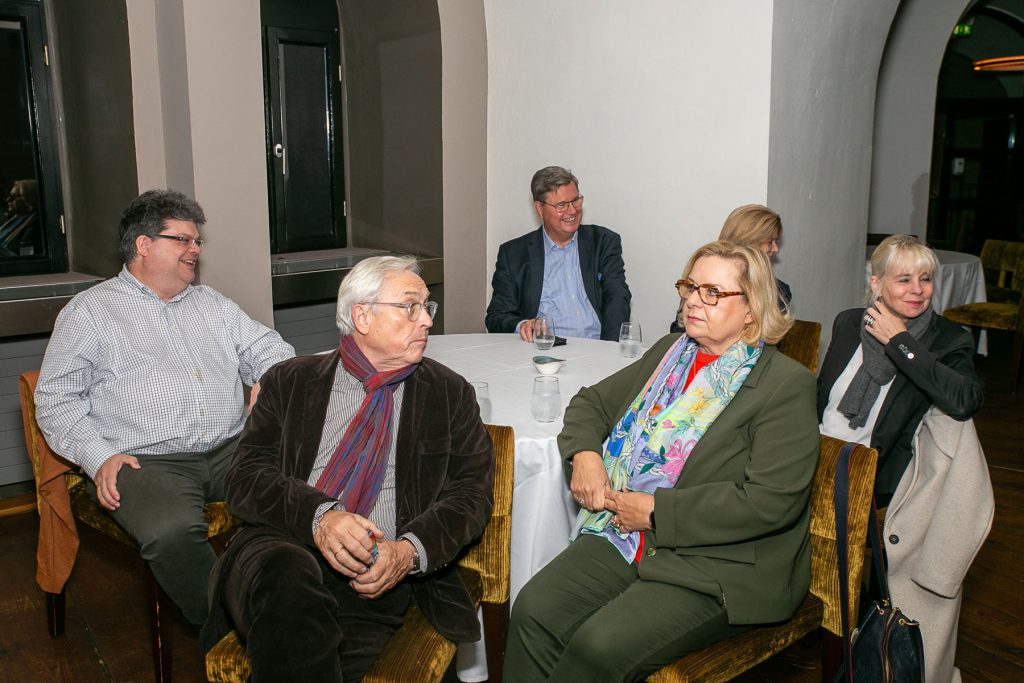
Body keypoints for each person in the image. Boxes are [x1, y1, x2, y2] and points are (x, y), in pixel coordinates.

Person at [504, 241, 820, 682]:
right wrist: (587, 455)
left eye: (712, 292)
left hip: (719, 563)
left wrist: (655, 511)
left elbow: (770, 501)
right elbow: (591, 403)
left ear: (752, 309)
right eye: (690, 286)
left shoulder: (786, 385)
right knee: (534, 611)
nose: (692, 299)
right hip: (629, 534)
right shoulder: (672, 352)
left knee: (599, 646)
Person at [201, 255, 494, 682]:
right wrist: (321, 518)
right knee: (288, 578)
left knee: (327, 660)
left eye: (427, 307)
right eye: (410, 306)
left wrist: (406, 553)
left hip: (376, 575)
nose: (427, 320)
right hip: (279, 548)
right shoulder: (291, 382)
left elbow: (471, 495)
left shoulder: (448, 394)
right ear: (362, 316)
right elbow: (245, 477)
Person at [34, 189, 295, 628]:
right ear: (143, 244)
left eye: (197, 241)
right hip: (145, 460)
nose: (195, 249)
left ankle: (298, 601)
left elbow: (271, 348)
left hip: (233, 447)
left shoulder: (213, 305)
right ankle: (235, 632)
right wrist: (99, 457)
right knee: (170, 532)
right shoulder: (90, 313)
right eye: (183, 240)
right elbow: (56, 399)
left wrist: (270, 378)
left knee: (310, 482)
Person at [818, 234, 984, 504]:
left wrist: (901, 342)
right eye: (904, 279)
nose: (917, 289)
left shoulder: (948, 339)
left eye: (926, 278)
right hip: (819, 450)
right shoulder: (848, 323)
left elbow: (966, 401)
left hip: (876, 475)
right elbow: (822, 393)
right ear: (877, 283)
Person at [485, 166, 631, 342]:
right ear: (540, 208)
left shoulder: (603, 242)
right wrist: (522, 325)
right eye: (561, 205)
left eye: (576, 200)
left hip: (597, 348)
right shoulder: (514, 254)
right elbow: (496, 316)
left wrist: (610, 351)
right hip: (544, 352)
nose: (572, 211)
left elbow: (617, 298)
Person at [671, 204, 789, 333]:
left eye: (712, 292)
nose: (776, 249)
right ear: (752, 241)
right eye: (770, 242)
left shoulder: (777, 293)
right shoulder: (700, 274)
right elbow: (679, 329)